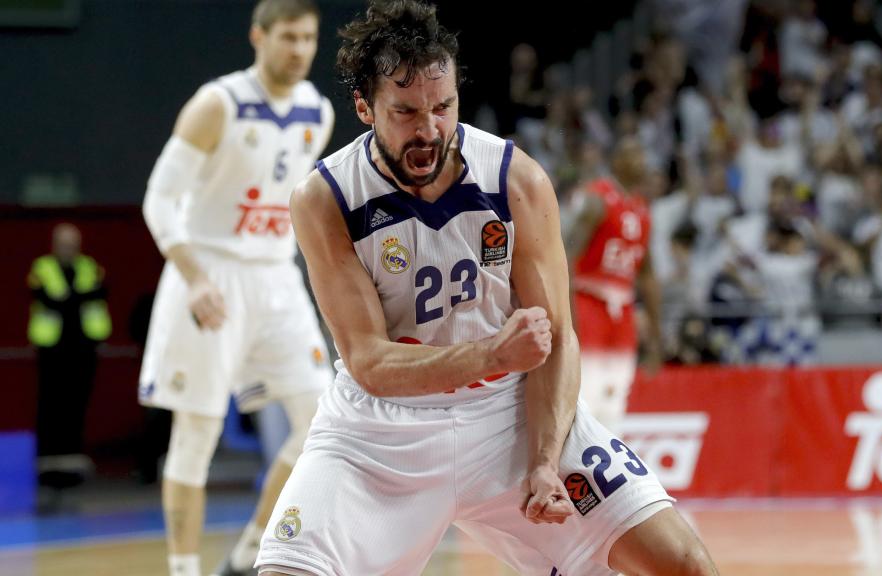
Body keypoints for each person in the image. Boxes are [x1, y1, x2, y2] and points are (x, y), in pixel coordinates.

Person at [256, 2, 718, 575]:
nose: (429, 130)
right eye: (404, 112)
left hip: (507, 413)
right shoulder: (325, 198)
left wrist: (546, 460)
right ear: (364, 108)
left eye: (443, 107)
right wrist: (491, 353)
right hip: (380, 432)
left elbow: (558, 335)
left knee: (685, 563)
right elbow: (369, 360)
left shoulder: (514, 178)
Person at [137, 1, 335, 575]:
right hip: (209, 270)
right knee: (195, 433)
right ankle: (183, 569)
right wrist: (193, 276)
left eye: (308, 39)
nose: (299, 50)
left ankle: (250, 552)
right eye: (289, 38)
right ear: (259, 36)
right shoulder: (216, 103)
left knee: (323, 420)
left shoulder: (315, 112)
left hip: (276, 274)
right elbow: (159, 198)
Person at [563, 138, 662, 434]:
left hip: (623, 310)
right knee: (586, 394)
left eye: (642, 154)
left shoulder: (643, 210)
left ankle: (605, 472)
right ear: (616, 161)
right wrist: (568, 318)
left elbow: (647, 275)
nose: (641, 161)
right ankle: (573, 469)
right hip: (589, 300)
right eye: (633, 154)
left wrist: (656, 335)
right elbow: (566, 259)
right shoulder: (596, 199)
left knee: (617, 395)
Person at [27, 223, 111, 492]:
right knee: (51, 407)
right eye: (64, 243)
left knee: (77, 405)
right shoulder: (42, 268)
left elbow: (101, 292)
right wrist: (78, 298)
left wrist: (69, 298)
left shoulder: (89, 267)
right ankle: (48, 466)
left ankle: (73, 465)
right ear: (54, 244)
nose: (69, 249)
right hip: (52, 349)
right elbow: (47, 300)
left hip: (83, 348)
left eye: (73, 243)